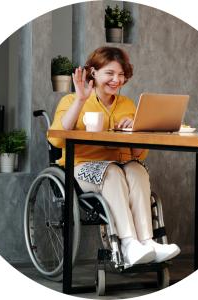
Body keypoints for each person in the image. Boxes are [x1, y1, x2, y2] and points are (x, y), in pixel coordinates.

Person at [48, 46, 180, 265]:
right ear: (93, 73)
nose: (116, 79)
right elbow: (57, 140)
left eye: (121, 74)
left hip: (121, 166)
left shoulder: (128, 105)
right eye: (109, 73)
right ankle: (128, 243)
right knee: (112, 172)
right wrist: (80, 100)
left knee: (137, 169)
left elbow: (138, 154)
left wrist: (136, 130)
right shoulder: (71, 101)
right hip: (81, 167)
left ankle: (147, 242)